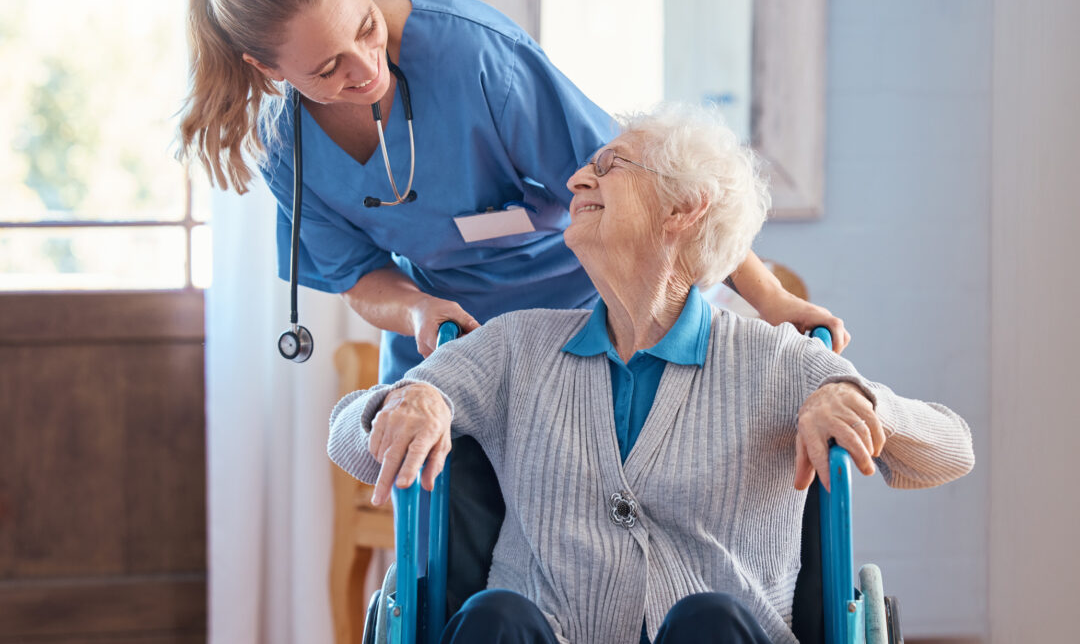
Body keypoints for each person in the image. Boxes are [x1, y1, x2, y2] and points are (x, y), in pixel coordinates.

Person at [327, 102, 974, 644]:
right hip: (538, 631)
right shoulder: (517, 347)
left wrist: (857, 404)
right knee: (495, 617)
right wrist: (407, 401)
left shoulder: (775, 361)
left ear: (683, 210)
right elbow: (345, 438)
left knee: (709, 619)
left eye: (608, 167)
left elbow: (951, 450)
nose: (577, 180)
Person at [177, 0, 850, 385]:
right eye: (328, 69)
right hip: (457, 339)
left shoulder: (472, 55)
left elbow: (648, 185)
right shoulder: (284, 147)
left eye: (367, 28)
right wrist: (416, 311)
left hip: (593, 310)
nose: (365, 70)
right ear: (268, 72)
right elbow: (358, 276)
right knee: (437, 509)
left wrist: (768, 299)